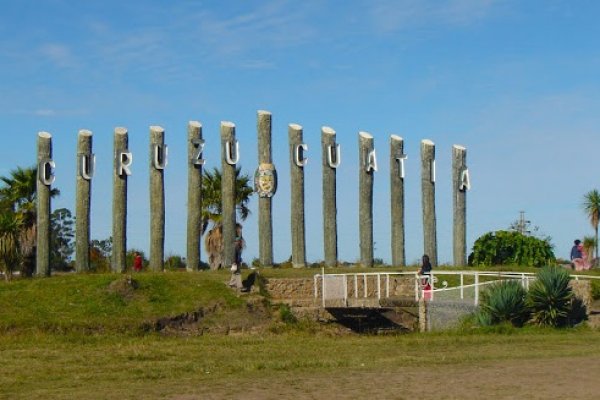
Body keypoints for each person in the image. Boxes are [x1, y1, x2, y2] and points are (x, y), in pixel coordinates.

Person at [228, 224, 245, 289]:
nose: (239, 242)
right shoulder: (236, 247)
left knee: (235, 272)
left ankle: (232, 283)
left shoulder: (237, 247)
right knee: (238, 273)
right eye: (239, 241)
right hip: (235, 262)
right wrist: (234, 262)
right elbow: (234, 255)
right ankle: (239, 285)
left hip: (236, 261)